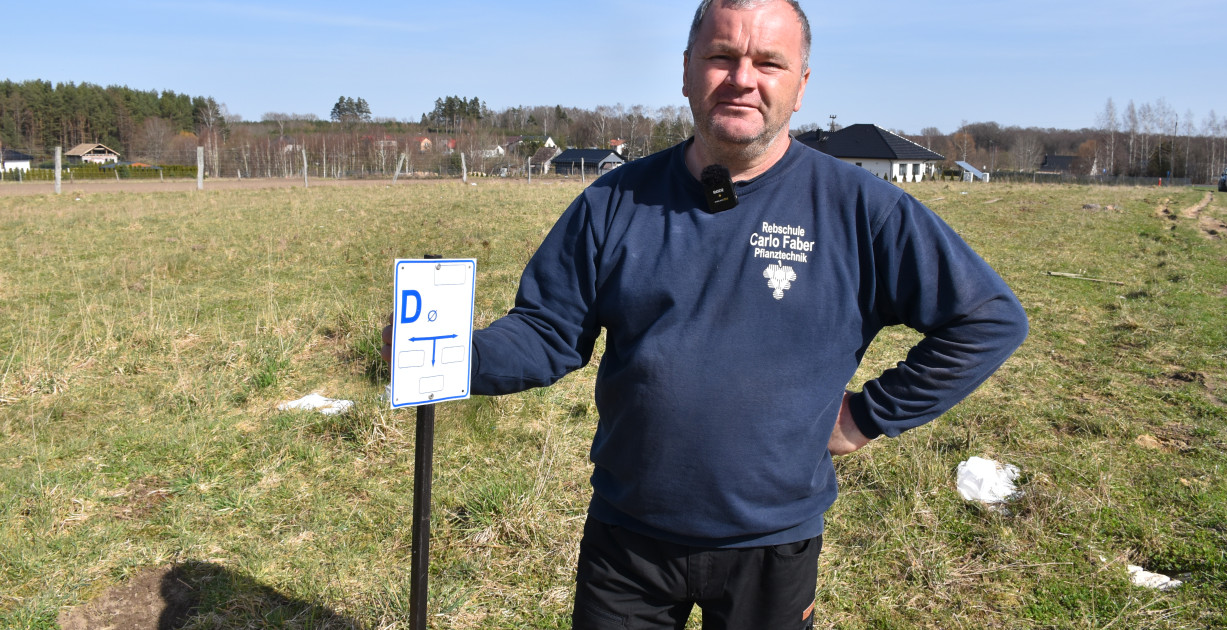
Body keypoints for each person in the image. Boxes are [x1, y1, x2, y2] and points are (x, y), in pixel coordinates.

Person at [388, 0, 1028, 627]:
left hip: (773, 543)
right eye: (722, 56)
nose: (743, 78)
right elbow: (549, 330)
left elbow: (987, 318)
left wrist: (868, 415)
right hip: (628, 536)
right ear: (688, 70)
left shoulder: (862, 209)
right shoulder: (614, 200)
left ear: (801, 86)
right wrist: (447, 357)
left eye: (768, 62)